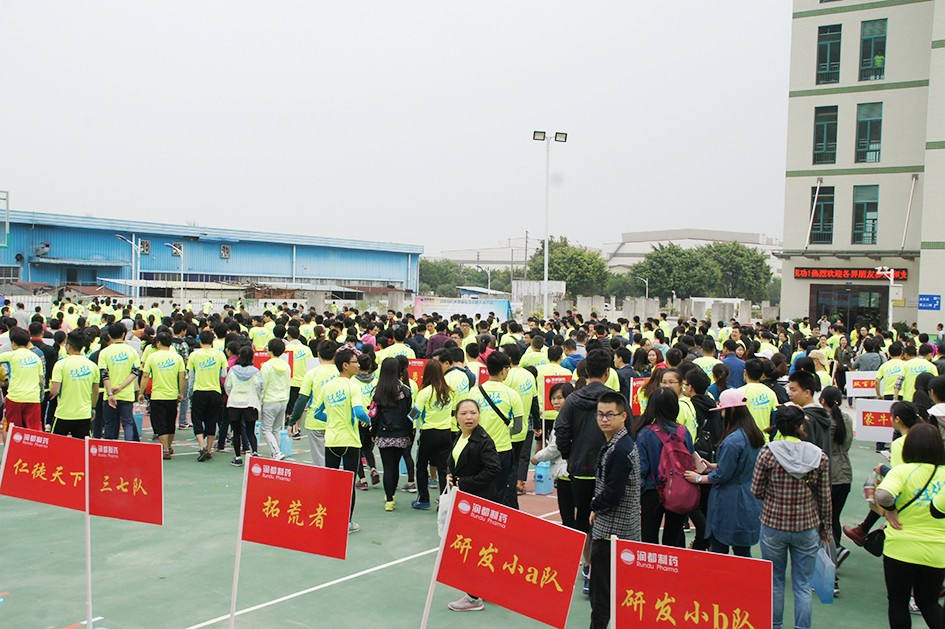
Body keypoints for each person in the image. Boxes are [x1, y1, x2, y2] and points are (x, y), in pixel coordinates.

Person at [751, 406, 831, 629]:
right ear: (801, 426)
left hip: (773, 524)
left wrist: (772, 497)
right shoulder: (819, 456)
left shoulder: (768, 453)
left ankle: (775, 625)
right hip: (806, 526)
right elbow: (825, 497)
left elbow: (756, 489)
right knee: (803, 584)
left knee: (775, 581)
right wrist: (826, 527)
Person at [874, 423, 945, 629]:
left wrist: (891, 509)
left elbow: (883, 495)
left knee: (898, 603)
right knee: (929, 602)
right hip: (937, 550)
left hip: (900, 547)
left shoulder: (901, 471)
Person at [554, 349, 613, 591]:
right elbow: (626, 432)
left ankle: (588, 566)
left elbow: (561, 431)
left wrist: (570, 454)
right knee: (606, 519)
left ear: (586, 372)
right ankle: (603, 569)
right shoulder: (613, 399)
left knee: (582, 520)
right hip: (607, 470)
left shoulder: (573, 400)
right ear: (607, 372)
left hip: (579, 469)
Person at [684, 389, 764, 556]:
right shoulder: (754, 434)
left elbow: (723, 475)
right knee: (743, 550)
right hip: (749, 497)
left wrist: (698, 478)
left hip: (729, 500)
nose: (721, 415)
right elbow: (740, 464)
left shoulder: (732, 441)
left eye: (723, 411)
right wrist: (715, 466)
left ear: (731, 410)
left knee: (719, 548)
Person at [588, 391, 641, 629]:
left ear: (623, 416)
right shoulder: (620, 443)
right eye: (600, 414)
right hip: (622, 530)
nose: (604, 419)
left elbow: (613, 493)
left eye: (610, 414)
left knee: (602, 594)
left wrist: (594, 505)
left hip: (611, 534)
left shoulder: (620, 450)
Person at [445, 398, 502, 613]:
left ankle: (473, 597)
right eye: (464, 413)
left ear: (479, 415)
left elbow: (494, 469)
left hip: (479, 503)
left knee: (476, 548)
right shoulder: (460, 437)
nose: (469, 417)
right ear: (456, 417)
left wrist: (465, 482)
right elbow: (455, 461)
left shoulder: (483, 440)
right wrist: (451, 475)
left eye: (473, 413)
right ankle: (484, 589)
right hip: (465, 502)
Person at [309, 348, 371, 534]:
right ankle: (347, 522)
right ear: (345, 365)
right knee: (349, 484)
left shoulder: (327, 387)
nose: (358, 365)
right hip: (350, 441)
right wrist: (368, 420)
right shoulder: (353, 387)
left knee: (332, 483)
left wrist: (333, 420)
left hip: (332, 441)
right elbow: (359, 412)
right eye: (355, 362)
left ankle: (330, 518)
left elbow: (317, 413)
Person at [632, 386, 694, 547]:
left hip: (652, 492)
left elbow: (641, 468)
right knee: (674, 537)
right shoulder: (683, 432)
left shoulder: (645, 433)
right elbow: (690, 460)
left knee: (649, 538)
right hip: (678, 490)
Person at [465, 351, 523, 508]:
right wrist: (505, 432)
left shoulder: (474, 392)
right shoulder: (512, 395)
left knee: (479, 490)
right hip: (502, 450)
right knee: (501, 491)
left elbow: (467, 422)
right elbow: (518, 427)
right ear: (503, 370)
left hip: (478, 449)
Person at [409, 358, 455, 510]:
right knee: (443, 469)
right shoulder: (449, 391)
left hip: (429, 432)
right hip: (446, 433)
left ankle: (423, 498)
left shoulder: (425, 392)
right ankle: (444, 502)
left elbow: (415, 413)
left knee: (422, 465)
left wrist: (405, 418)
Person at [531, 382, 575, 528]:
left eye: (560, 398)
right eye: (553, 398)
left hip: (566, 471)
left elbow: (555, 447)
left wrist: (537, 457)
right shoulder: (567, 416)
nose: (556, 402)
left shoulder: (565, 418)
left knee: (568, 513)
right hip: (570, 470)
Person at [371, 357, 413, 511]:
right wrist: (410, 432)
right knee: (395, 466)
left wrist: (373, 432)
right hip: (401, 434)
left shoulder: (377, 391)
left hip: (383, 434)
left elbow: (374, 415)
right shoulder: (405, 390)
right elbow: (410, 414)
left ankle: (389, 499)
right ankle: (392, 494)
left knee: (387, 467)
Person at [139, 332, 186, 460]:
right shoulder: (177, 358)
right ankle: (168, 446)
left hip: (157, 395)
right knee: (171, 422)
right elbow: (182, 377)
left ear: (158, 343)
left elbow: (145, 375)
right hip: (172, 395)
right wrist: (181, 393)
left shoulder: (152, 357)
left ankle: (165, 449)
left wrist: (141, 392)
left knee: (160, 423)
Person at [48, 331, 99, 438]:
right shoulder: (92, 366)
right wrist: (93, 407)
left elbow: (55, 390)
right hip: (84, 414)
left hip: (63, 413)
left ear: (68, 346)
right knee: (83, 446)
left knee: (55, 445)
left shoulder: (60, 364)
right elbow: (95, 391)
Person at [186, 330, 227, 461]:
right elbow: (224, 374)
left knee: (197, 420)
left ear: (200, 341)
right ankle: (209, 449)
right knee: (212, 420)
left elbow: (191, 377)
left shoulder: (194, 355)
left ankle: (201, 446)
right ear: (212, 341)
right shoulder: (220, 354)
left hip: (199, 390)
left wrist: (190, 392)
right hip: (215, 391)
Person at [99, 323, 142, 441]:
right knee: (128, 423)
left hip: (109, 395)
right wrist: (122, 386)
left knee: (109, 424)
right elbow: (135, 372)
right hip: (126, 394)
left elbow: (104, 375)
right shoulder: (132, 351)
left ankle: (110, 448)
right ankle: (129, 448)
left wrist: (110, 393)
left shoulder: (104, 352)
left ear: (109, 336)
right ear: (123, 334)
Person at [224, 346, 263, 467]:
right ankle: (254, 453)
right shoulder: (255, 371)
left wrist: (232, 395)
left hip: (234, 403)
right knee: (250, 431)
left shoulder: (233, 370)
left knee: (236, 432)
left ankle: (237, 457)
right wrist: (257, 397)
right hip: (250, 403)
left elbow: (227, 386)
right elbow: (259, 386)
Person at [0, 327, 45, 430]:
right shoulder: (36, 357)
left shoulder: (11, 355)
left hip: (15, 398)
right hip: (33, 398)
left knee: (11, 429)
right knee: (34, 430)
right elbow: (41, 381)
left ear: (13, 343)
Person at [259, 338, 291, 460]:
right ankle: (276, 452)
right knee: (277, 429)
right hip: (283, 400)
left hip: (270, 400)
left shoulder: (266, 366)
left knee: (266, 430)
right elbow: (288, 383)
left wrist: (260, 400)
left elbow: (263, 385)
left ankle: (276, 452)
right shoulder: (286, 365)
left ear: (270, 350)